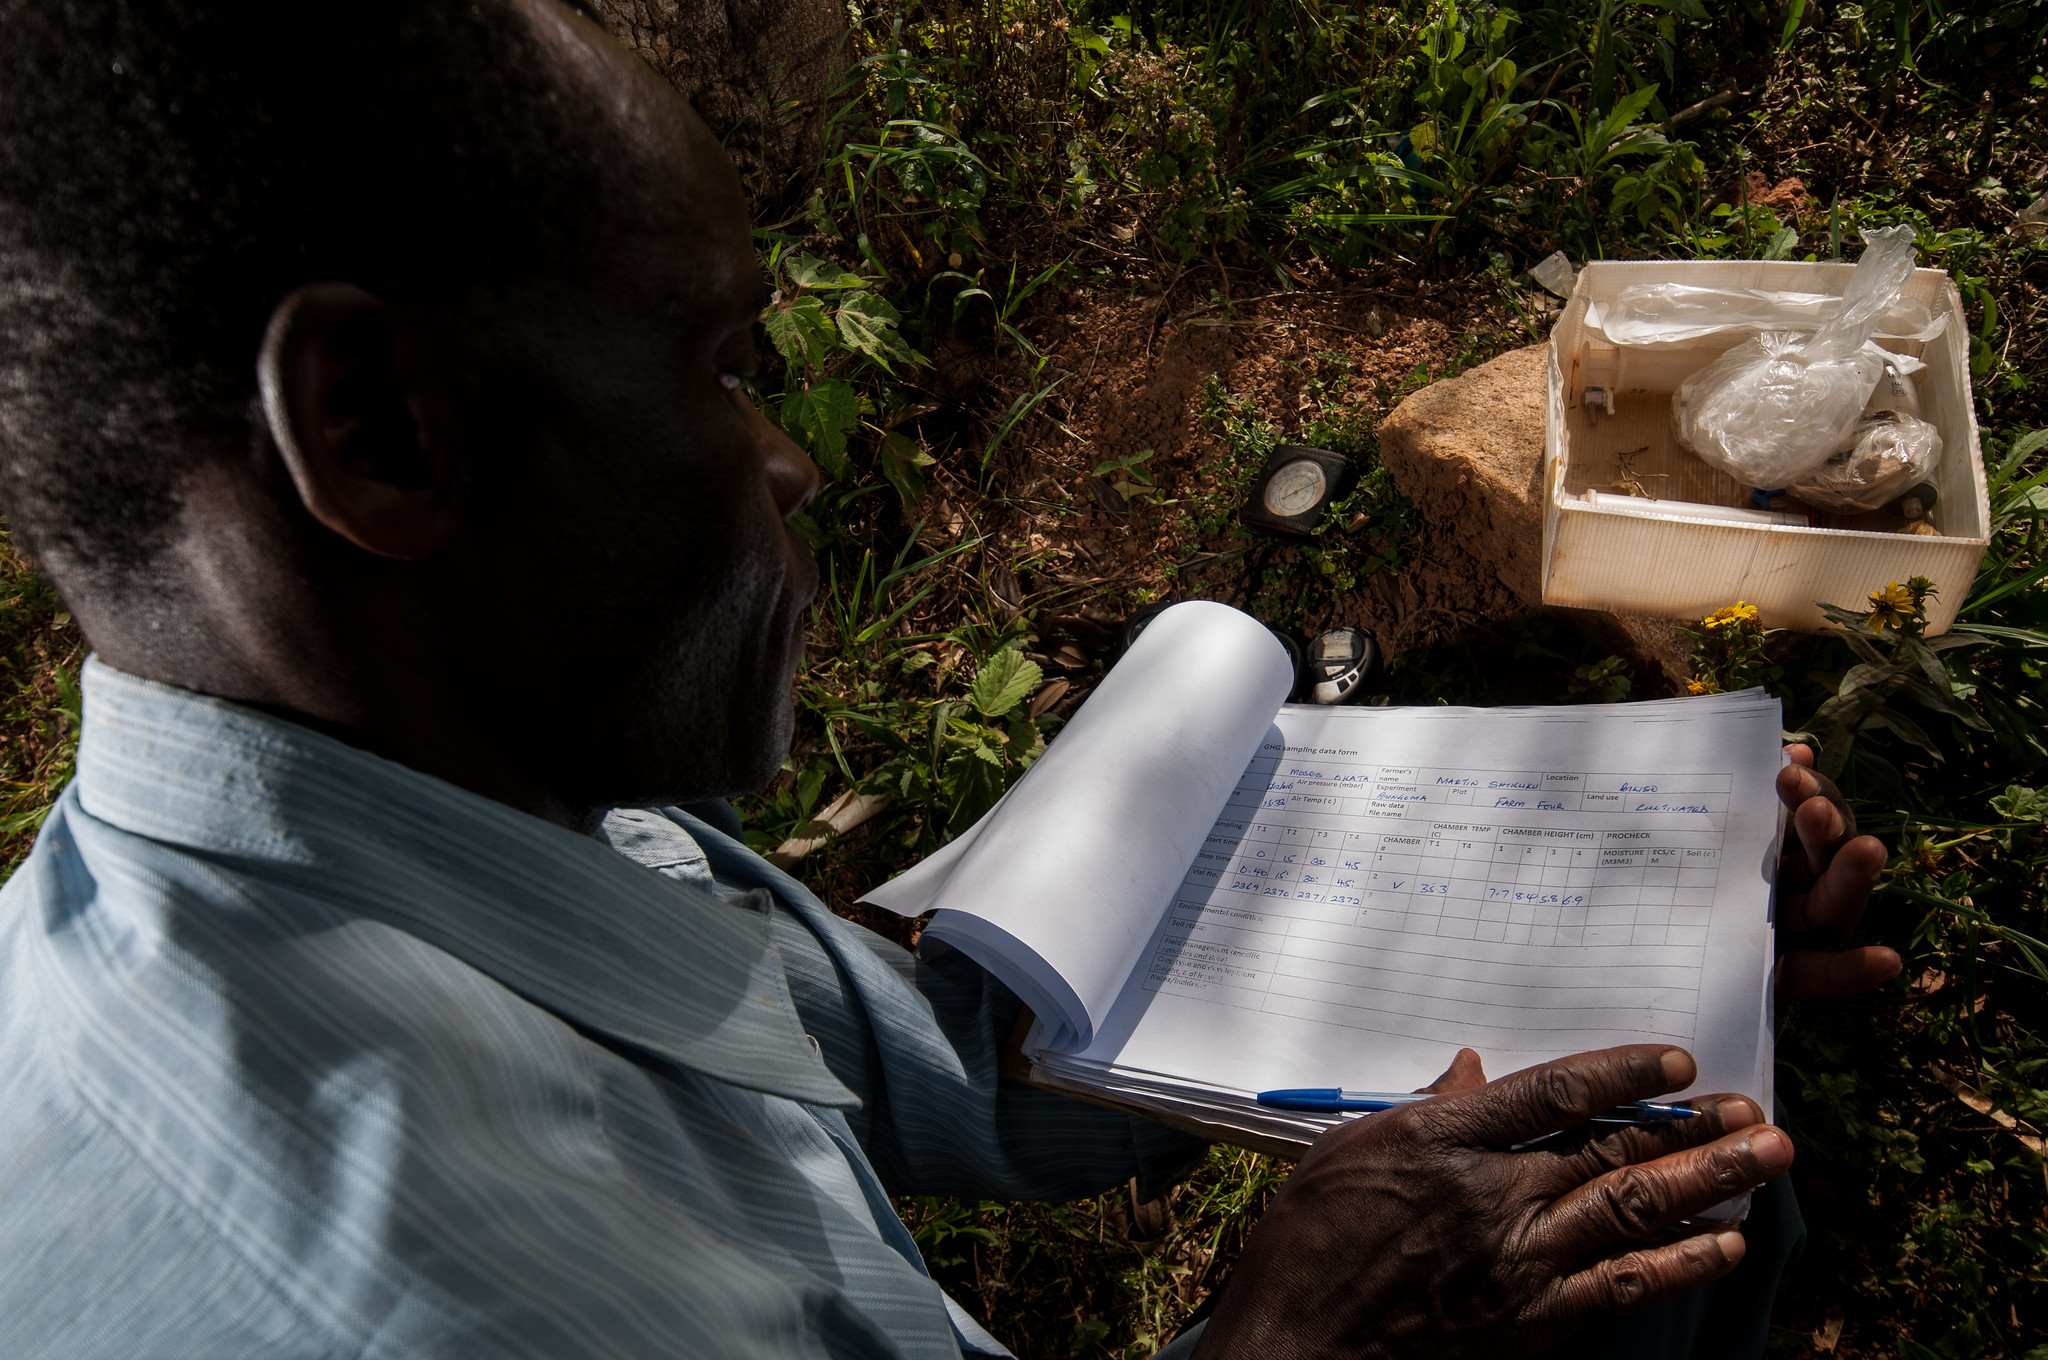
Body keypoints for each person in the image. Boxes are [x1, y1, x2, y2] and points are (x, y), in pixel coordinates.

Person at [0, 2, 1898, 1356]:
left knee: (1661, 1191)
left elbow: (916, 1061)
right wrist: (1291, 1324)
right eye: (721, 363)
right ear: (383, 435)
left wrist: (1603, 951)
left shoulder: (464, 789)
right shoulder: (468, 1299)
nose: (791, 461)